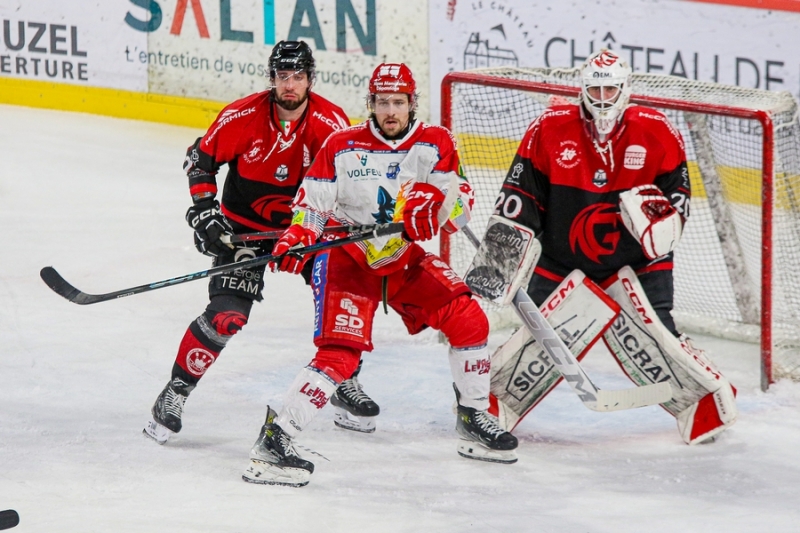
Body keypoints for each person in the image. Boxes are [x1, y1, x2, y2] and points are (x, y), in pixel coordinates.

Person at [241, 62, 518, 487]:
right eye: (383, 102)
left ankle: (472, 416)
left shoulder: (435, 142)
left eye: (398, 102)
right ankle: (275, 442)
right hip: (347, 258)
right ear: (370, 103)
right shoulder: (342, 144)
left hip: (401, 257)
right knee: (340, 355)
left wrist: (435, 206)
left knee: (468, 318)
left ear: (412, 103)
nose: (391, 111)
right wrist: (299, 234)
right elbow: (312, 205)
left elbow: (459, 202)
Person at [489, 48, 737, 444]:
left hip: (637, 261)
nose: (603, 98)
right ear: (582, 89)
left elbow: (678, 195)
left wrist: (665, 225)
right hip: (561, 258)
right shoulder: (548, 128)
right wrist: (500, 259)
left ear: (625, 89)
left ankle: (703, 397)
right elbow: (520, 196)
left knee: (660, 338)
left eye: (610, 90)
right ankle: (491, 405)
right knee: (538, 340)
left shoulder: (657, 130)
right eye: (595, 90)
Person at [143, 41, 379, 444]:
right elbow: (200, 160)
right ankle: (174, 393)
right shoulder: (242, 116)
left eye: (298, 76)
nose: (290, 85)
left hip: (306, 231)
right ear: (272, 78)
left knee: (344, 298)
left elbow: (351, 183)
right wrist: (205, 212)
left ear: (311, 79)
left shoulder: (331, 123)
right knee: (226, 316)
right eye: (283, 76)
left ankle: (344, 380)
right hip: (244, 231)